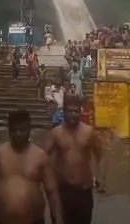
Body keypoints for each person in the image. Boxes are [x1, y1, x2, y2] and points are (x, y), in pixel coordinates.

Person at [0, 110, 64, 224]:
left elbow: (52, 191)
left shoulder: (40, 156)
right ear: (9, 130)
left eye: (22, 130)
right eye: (15, 130)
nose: (18, 134)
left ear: (29, 129)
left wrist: (58, 221)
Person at [44, 95, 106, 224]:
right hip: (62, 191)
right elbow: (42, 157)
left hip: (84, 192)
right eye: (70, 111)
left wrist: (101, 177)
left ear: (80, 111)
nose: (73, 114)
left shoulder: (89, 132)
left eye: (76, 111)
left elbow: (101, 155)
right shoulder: (56, 133)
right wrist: (47, 181)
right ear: (64, 111)